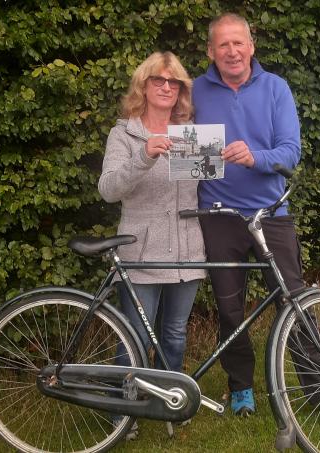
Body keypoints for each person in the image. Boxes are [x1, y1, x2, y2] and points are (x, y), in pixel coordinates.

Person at [192, 13, 320, 426]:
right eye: (223, 44)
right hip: (219, 216)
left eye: (239, 43)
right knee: (230, 309)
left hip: (271, 216)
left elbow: (290, 151)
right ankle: (240, 387)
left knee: (294, 304)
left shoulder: (275, 88)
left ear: (252, 46)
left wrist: (256, 157)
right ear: (211, 51)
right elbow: (182, 146)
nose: (232, 51)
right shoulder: (194, 91)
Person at [98, 51, 205, 377]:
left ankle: (166, 397)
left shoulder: (191, 133)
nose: (166, 87)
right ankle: (125, 400)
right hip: (141, 253)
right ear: (143, 86)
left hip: (187, 250)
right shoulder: (124, 134)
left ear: (181, 90)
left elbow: (203, 186)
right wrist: (143, 156)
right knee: (136, 337)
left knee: (174, 334)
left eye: (174, 82)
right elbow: (108, 189)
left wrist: (223, 160)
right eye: (158, 79)